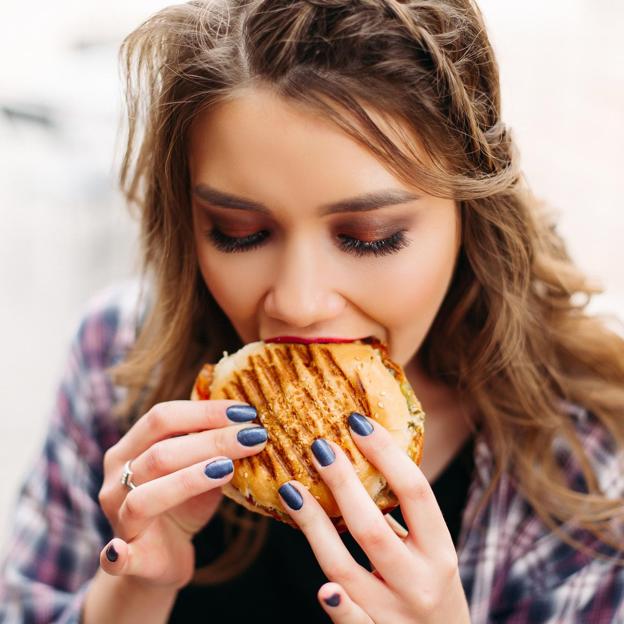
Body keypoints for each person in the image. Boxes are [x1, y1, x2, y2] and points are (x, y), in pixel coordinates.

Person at [1, 0, 623, 622]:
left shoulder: (593, 467)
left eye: (370, 236)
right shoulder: (112, 357)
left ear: (471, 216)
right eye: (237, 231)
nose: (296, 303)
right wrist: (131, 593)